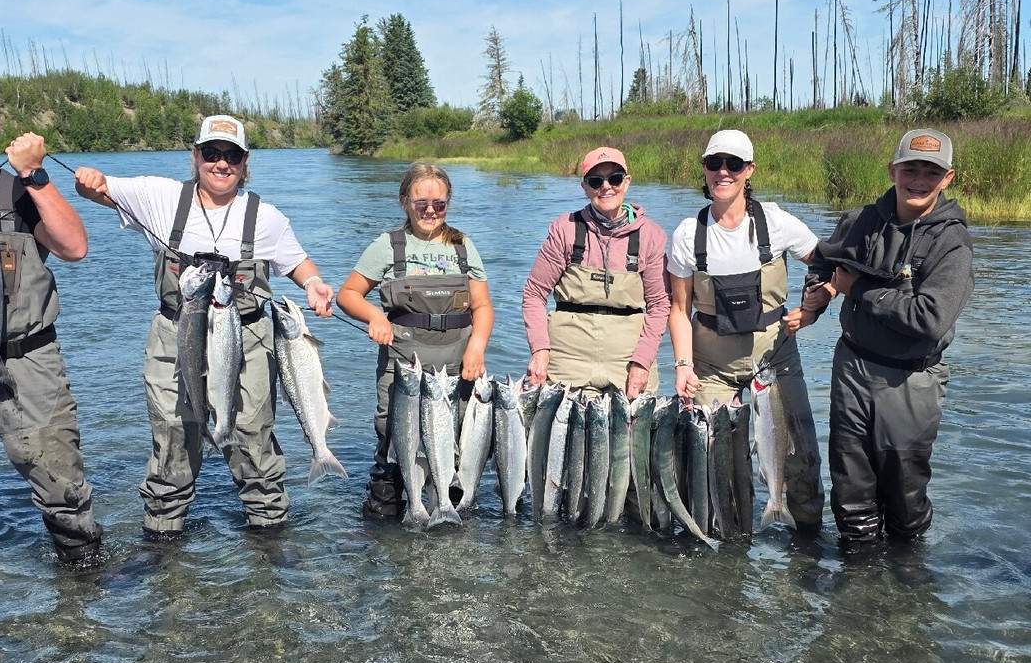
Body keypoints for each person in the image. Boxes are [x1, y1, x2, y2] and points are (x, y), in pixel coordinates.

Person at [74, 114, 333, 539]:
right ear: (195, 156)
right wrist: (87, 179)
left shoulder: (265, 217)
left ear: (245, 162)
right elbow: (99, 189)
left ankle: (269, 532)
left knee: (253, 435)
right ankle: (162, 535)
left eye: (231, 155)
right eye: (211, 153)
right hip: (176, 334)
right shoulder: (159, 196)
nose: (221, 163)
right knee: (174, 434)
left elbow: (298, 265)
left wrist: (316, 283)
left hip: (245, 338)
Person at [0, 79, 104, 565]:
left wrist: (36, 176)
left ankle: (83, 584)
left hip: (26, 360)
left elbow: (74, 247)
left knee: (62, 487)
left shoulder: (17, 186)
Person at [801, 128, 973, 545]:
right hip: (851, 369)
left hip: (911, 380)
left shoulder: (952, 243)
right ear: (892, 170)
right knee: (850, 488)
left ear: (947, 178)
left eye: (930, 172)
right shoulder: (859, 221)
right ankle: (855, 580)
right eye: (909, 168)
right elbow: (823, 262)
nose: (918, 180)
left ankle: (907, 583)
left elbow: (930, 319)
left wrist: (858, 289)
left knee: (904, 498)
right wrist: (818, 297)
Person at [667, 129, 823, 531]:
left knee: (801, 462)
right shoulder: (687, 234)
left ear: (749, 170)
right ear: (703, 169)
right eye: (714, 163)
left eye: (733, 164)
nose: (723, 172)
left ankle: (806, 556)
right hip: (710, 367)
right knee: (716, 467)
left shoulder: (776, 221)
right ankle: (729, 556)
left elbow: (827, 266)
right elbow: (678, 309)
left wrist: (810, 311)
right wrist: (683, 365)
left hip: (775, 362)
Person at [337, 163, 493, 519]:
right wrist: (375, 317)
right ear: (405, 201)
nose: (430, 210)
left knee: (454, 443)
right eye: (420, 202)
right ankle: (387, 519)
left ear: (448, 203)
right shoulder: (387, 246)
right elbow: (348, 295)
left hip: (458, 365)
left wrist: (477, 346)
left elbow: (483, 306)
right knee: (394, 441)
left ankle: (450, 513)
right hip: (402, 365)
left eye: (439, 203)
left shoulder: (463, 246)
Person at [522, 146, 670, 400]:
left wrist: (642, 362)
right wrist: (540, 350)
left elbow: (659, 305)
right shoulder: (564, 230)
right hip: (566, 360)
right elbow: (534, 294)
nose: (606, 187)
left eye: (614, 178)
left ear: (627, 181)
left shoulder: (651, 236)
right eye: (595, 181)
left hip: (627, 361)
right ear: (584, 187)